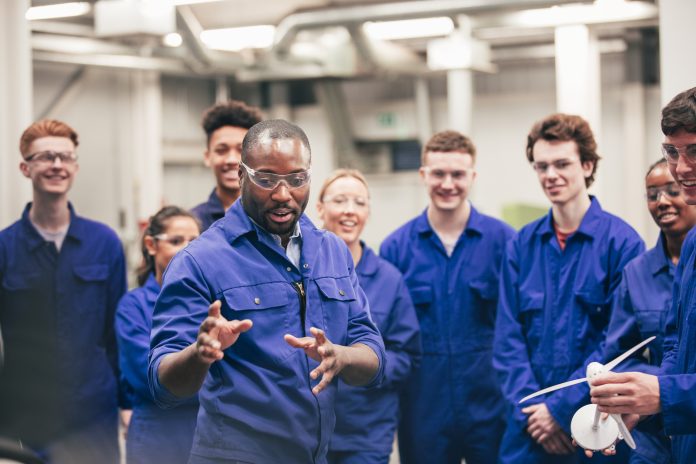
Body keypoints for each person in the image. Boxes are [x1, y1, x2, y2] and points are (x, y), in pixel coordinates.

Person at [148, 119, 386, 464]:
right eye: (266, 179)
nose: (282, 194)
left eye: (296, 179)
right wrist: (199, 353)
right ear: (241, 176)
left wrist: (342, 356)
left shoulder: (332, 251)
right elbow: (163, 385)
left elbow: (373, 354)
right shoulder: (199, 261)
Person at [493, 113, 645, 464]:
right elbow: (507, 340)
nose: (550, 175)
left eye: (562, 164)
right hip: (528, 429)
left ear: (587, 165)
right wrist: (536, 413)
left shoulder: (621, 244)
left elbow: (618, 343)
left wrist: (561, 411)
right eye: (541, 166)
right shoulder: (522, 246)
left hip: (595, 423)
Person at [380, 130, 514, 464]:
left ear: (473, 176)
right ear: (423, 175)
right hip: (424, 407)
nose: (448, 183)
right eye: (438, 173)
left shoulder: (504, 242)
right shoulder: (396, 248)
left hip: (490, 402)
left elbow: (517, 327)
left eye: (458, 174)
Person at [0, 119, 126, 463]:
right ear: (25, 167)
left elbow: (116, 336)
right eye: (45, 157)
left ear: (75, 166)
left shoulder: (105, 244)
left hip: (94, 412)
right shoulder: (4, 248)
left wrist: (126, 402)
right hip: (29, 413)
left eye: (65, 157)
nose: (56, 164)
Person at [590, 87, 696, 464]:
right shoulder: (693, 246)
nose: (682, 168)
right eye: (672, 152)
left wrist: (668, 396)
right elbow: (674, 343)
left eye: (694, 151)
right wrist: (645, 403)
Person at [317, 169, 421, 464]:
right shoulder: (298, 271)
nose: (350, 210)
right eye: (340, 200)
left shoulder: (389, 279)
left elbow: (407, 356)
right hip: (305, 429)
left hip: (365, 433)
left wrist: (359, 365)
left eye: (359, 202)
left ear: (368, 212)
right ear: (320, 208)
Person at [116, 206, 201, 464]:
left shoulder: (210, 303)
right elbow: (149, 379)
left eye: (194, 242)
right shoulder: (133, 307)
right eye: (176, 241)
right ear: (151, 245)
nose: (187, 249)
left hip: (203, 434)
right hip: (157, 438)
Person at [191, 99, 263, 231]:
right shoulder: (194, 224)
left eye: (241, 150)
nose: (231, 160)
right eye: (221, 150)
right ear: (207, 157)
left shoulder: (271, 219)